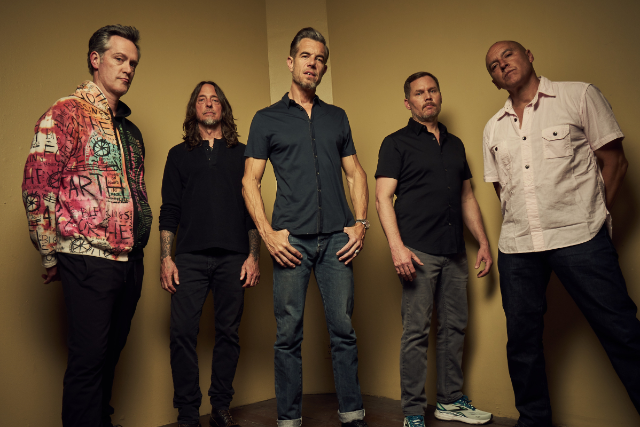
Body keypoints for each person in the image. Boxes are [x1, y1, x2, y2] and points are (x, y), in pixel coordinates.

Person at [483, 40, 640, 427]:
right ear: (494, 81)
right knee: (522, 343)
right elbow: (503, 190)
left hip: (580, 238)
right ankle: (533, 421)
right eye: (493, 65)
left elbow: (615, 162)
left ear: (529, 55)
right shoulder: (493, 128)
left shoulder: (578, 96)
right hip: (518, 247)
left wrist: (595, 217)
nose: (502, 65)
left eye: (508, 55)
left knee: (621, 331)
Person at [21, 25, 151, 427]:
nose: (128, 69)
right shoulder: (65, 112)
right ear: (96, 59)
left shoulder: (128, 130)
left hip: (130, 260)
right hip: (86, 257)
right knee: (88, 360)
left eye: (133, 63)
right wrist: (49, 254)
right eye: (119, 59)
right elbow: (37, 186)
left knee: (109, 356)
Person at [242, 27, 369, 427]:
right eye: (305, 56)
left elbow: (356, 173)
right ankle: (289, 420)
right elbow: (249, 181)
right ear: (290, 62)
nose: (313, 63)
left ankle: (353, 415)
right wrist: (267, 234)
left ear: (323, 68)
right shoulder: (266, 119)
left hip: (336, 241)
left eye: (319, 59)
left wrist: (360, 224)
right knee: (288, 335)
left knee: (344, 331)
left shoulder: (337, 117)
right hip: (290, 241)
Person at [375, 72, 493, 427]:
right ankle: (413, 411)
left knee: (454, 327)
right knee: (416, 332)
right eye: (419, 93)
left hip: (454, 251)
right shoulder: (395, 143)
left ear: (439, 96)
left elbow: (467, 197)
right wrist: (397, 248)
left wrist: (483, 242)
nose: (427, 97)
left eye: (432, 90)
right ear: (407, 102)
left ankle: (450, 401)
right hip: (417, 252)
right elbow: (382, 198)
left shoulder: (455, 144)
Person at [159, 81, 261, 427]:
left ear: (223, 108)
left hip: (234, 258)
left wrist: (253, 256)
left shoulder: (243, 154)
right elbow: (169, 210)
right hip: (188, 258)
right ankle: (188, 413)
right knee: (181, 334)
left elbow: (252, 211)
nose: (208, 104)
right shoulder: (178, 155)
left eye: (214, 99)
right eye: (201, 100)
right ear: (194, 109)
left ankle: (220, 406)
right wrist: (166, 258)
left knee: (228, 334)